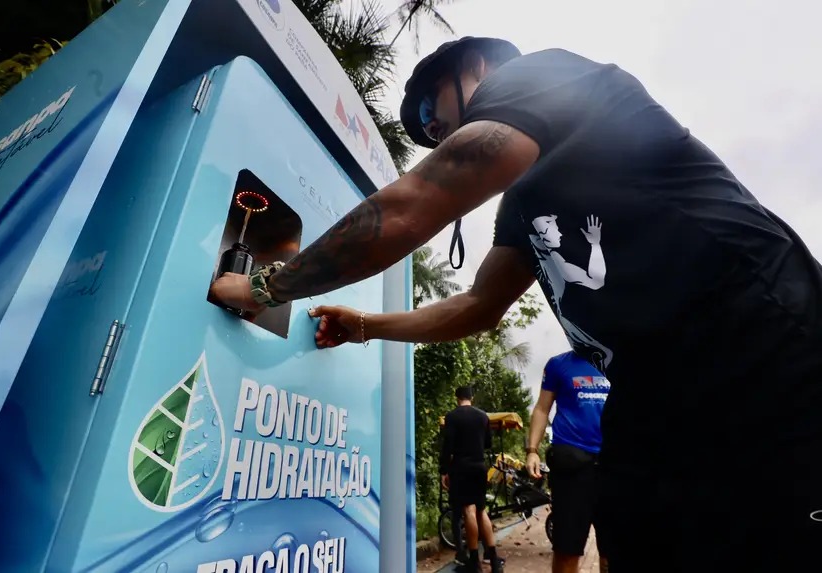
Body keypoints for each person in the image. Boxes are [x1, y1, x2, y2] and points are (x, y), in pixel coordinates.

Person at [210, 36, 822, 571]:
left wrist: (265, 287)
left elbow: (416, 201)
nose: (431, 130)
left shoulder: (540, 74)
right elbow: (478, 304)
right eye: (423, 129)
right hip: (659, 396)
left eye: (429, 109)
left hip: (762, 344)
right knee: (639, 533)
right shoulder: (525, 205)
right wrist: (364, 325)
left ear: (476, 67)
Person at [526, 351, 610, 573]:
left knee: (614, 553)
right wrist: (532, 450)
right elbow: (542, 408)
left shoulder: (620, 361)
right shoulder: (558, 364)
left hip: (614, 466)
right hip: (572, 466)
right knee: (567, 550)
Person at [440, 386, 503, 572]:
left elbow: (447, 446)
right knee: (481, 511)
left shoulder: (452, 417)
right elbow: (488, 443)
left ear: (457, 398)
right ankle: (494, 560)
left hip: (461, 468)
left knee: (469, 510)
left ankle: (474, 562)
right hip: (479, 467)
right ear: (471, 397)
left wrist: (444, 470)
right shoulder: (483, 416)